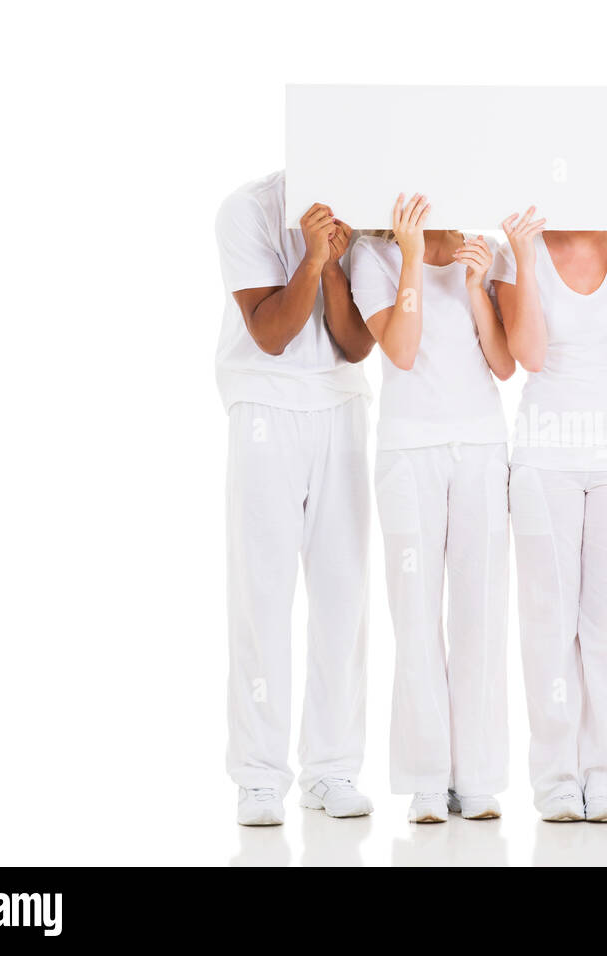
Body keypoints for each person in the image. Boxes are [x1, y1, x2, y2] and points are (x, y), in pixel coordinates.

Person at [490, 207, 607, 822]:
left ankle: (606, 774)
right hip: (545, 454)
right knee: (549, 623)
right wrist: (526, 256)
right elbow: (530, 356)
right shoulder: (520, 248)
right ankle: (557, 778)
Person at [214, 171, 376, 826]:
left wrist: (335, 266)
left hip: (338, 406)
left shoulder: (364, 210)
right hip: (265, 407)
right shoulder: (246, 210)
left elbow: (357, 344)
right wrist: (310, 259)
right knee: (262, 594)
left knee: (343, 596)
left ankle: (332, 769)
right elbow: (270, 332)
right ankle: (258, 776)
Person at [349, 193, 516, 824]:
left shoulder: (485, 250)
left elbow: (503, 363)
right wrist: (414, 255)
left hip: (477, 446)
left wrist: (478, 287)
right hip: (409, 449)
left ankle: (474, 777)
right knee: (415, 612)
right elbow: (402, 350)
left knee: (479, 611)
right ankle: (425, 777)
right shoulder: (373, 256)